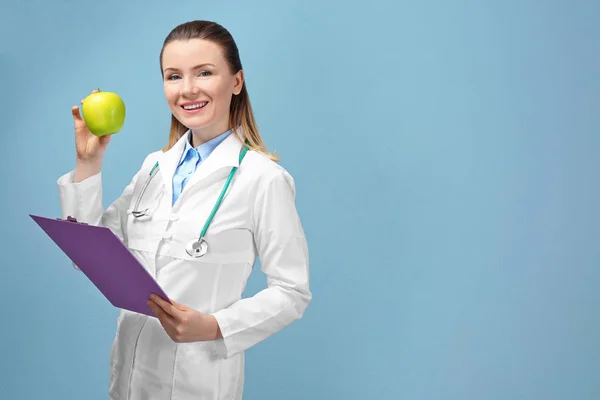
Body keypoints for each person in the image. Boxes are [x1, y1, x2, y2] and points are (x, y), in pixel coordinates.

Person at [57, 20, 311, 400]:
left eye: (204, 73)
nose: (187, 89)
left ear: (236, 81)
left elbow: (292, 291)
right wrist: (88, 163)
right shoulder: (153, 167)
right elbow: (91, 255)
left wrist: (214, 327)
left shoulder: (263, 179)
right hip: (128, 379)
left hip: (199, 382)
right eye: (174, 76)